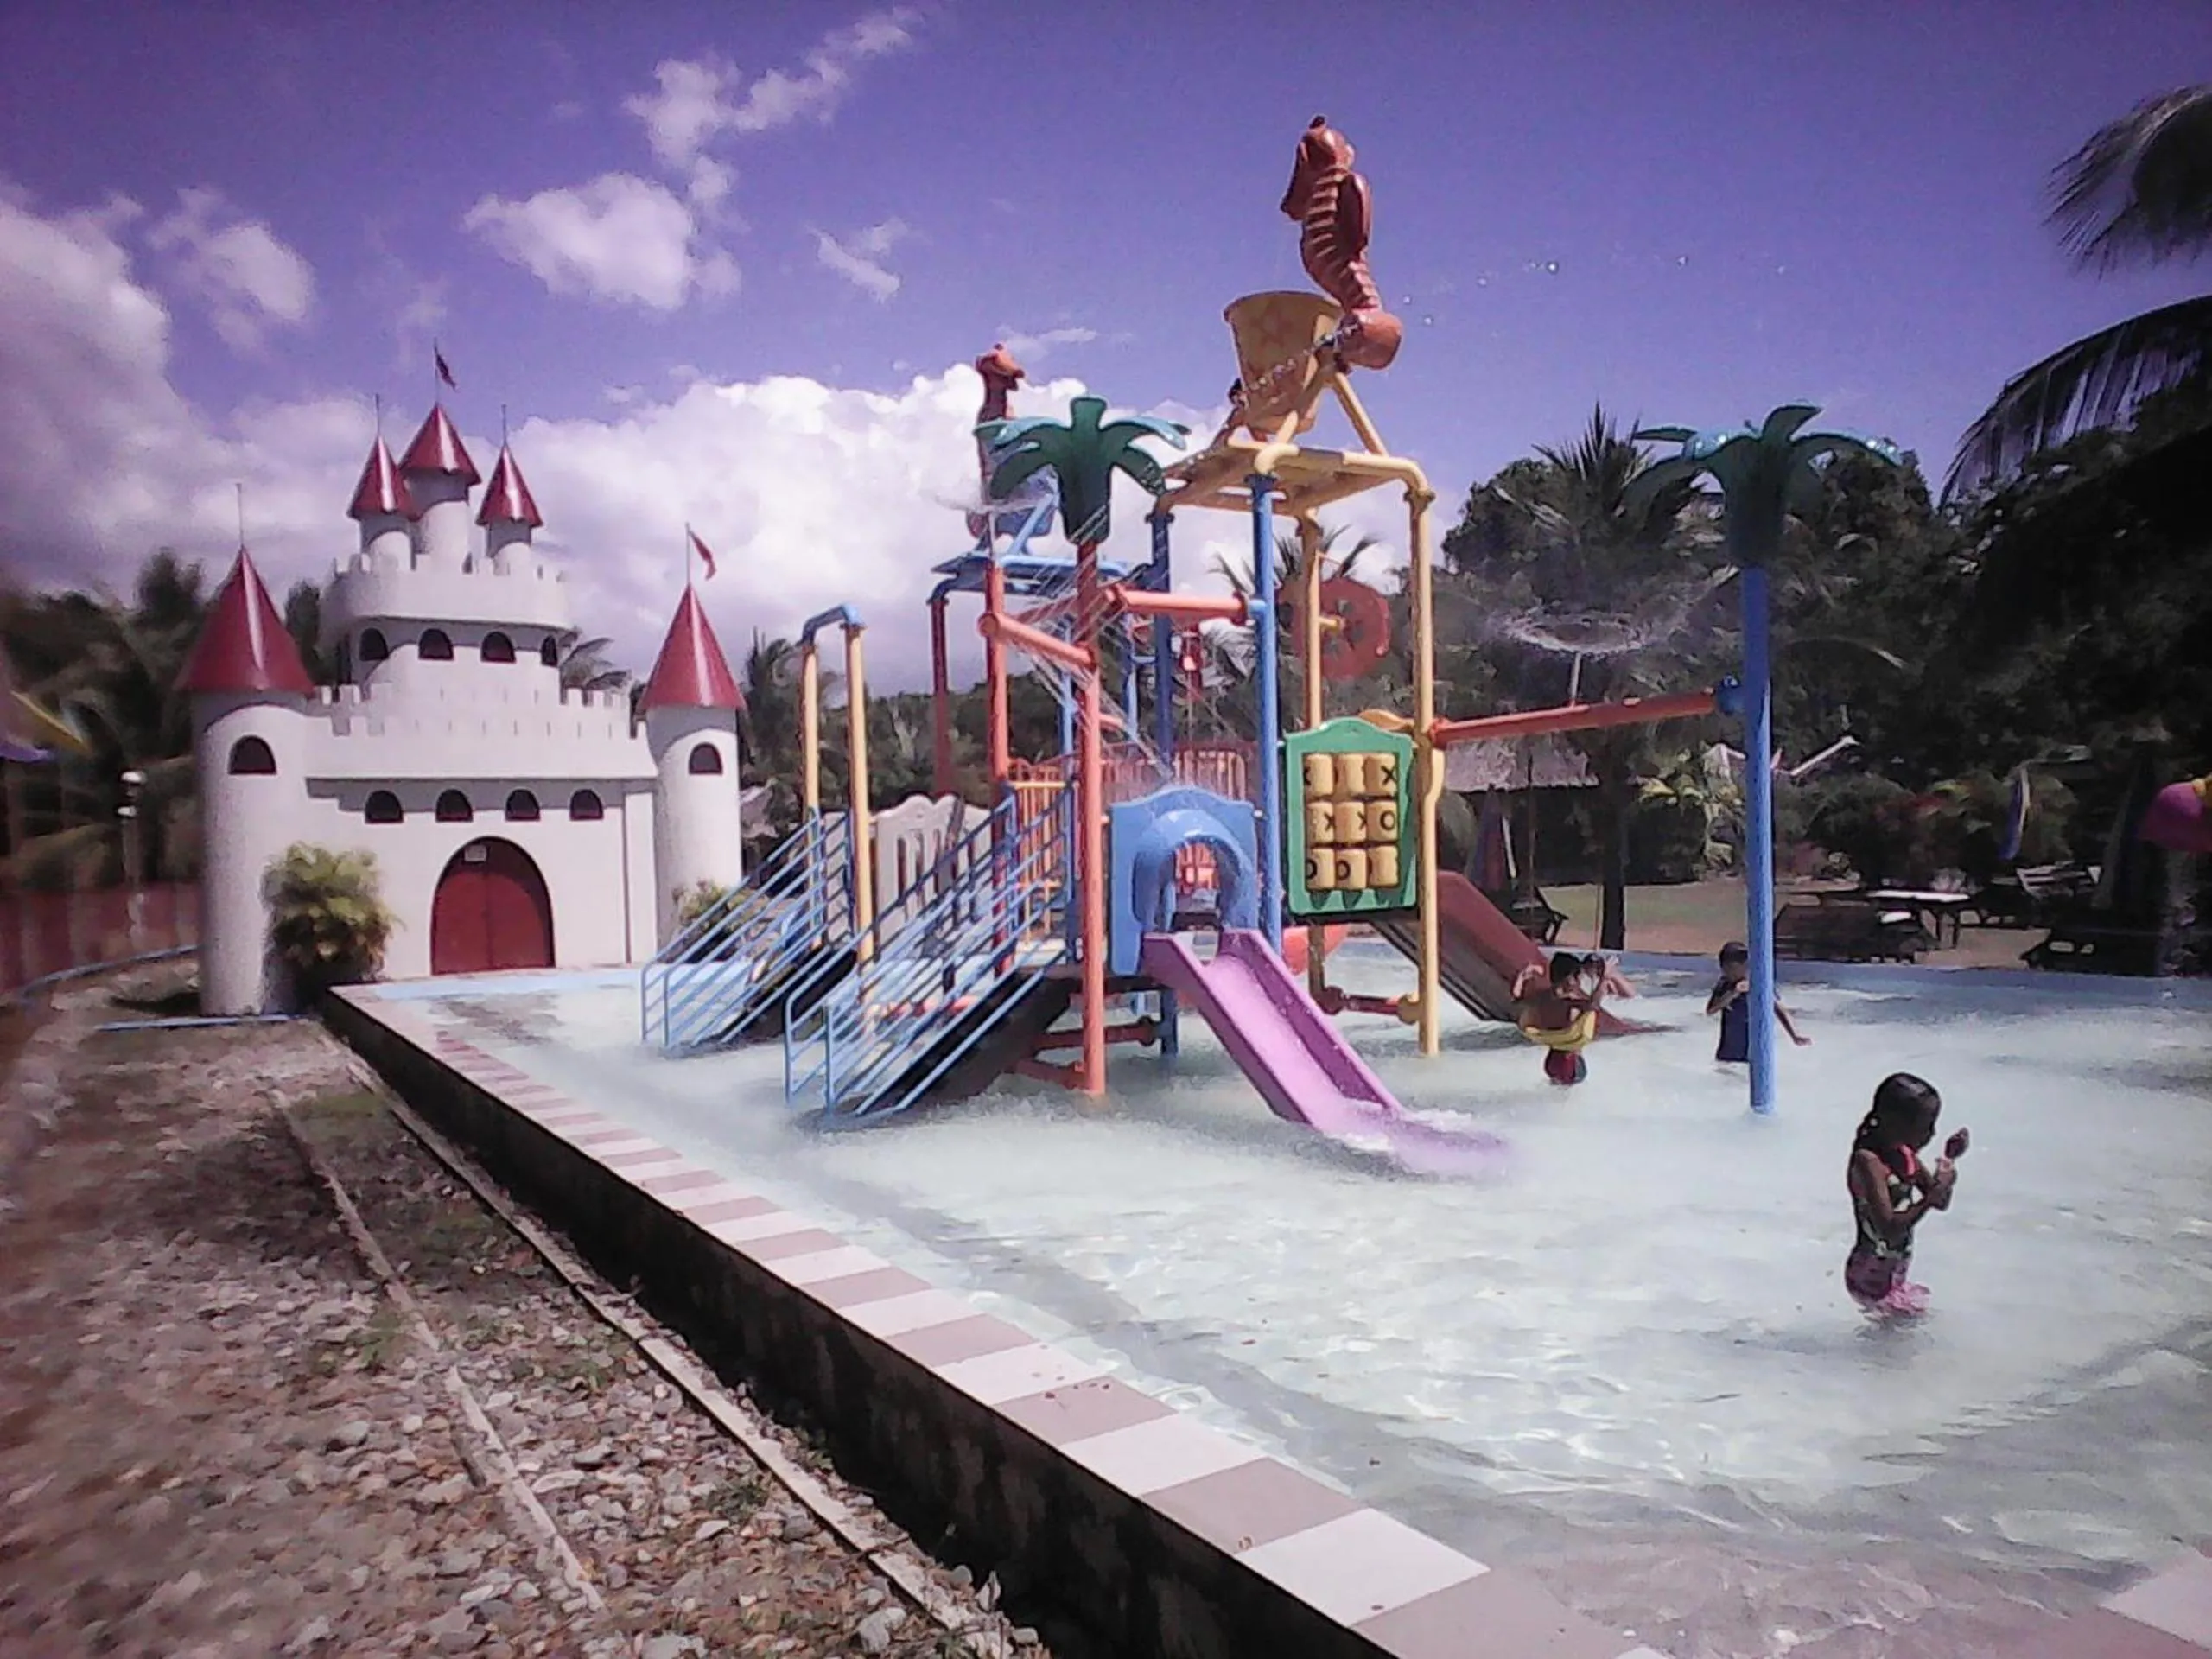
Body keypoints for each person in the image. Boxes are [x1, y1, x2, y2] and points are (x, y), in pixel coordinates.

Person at [1845, 1072, 1970, 1315]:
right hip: (1869, 1274)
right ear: (1894, 1123)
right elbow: (1888, 1227)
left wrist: (1949, 1161)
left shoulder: (1904, 1155)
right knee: (1902, 1340)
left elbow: (1940, 1201)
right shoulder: (1868, 1161)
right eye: (1925, 1126)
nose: (1932, 1134)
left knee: (1901, 1338)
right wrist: (1928, 1200)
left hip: (1894, 1271)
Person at [1510, 951, 1608, 1086]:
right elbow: (1594, 1005)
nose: (1579, 981)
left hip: (1551, 1061)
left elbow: (1517, 999)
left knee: (1556, 1096)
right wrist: (1604, 979)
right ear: (1568, 978)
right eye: (1577, 976)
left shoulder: (1542, 998)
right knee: (1570, 1099)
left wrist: (1521, 977)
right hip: (1571, 1062)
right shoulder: (1571, 1003)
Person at [1706, 940, 1810, 1063]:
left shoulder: (1759, 983)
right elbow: (1711, 1010)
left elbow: (1779, 1009)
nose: (1728, 973)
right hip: (1728, 1053)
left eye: (1732, 969)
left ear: (1745, 966)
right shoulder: (1724, 984)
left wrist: (1794, 1035)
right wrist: (1733, 993)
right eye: (1725, 969)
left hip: (1753, 1053)